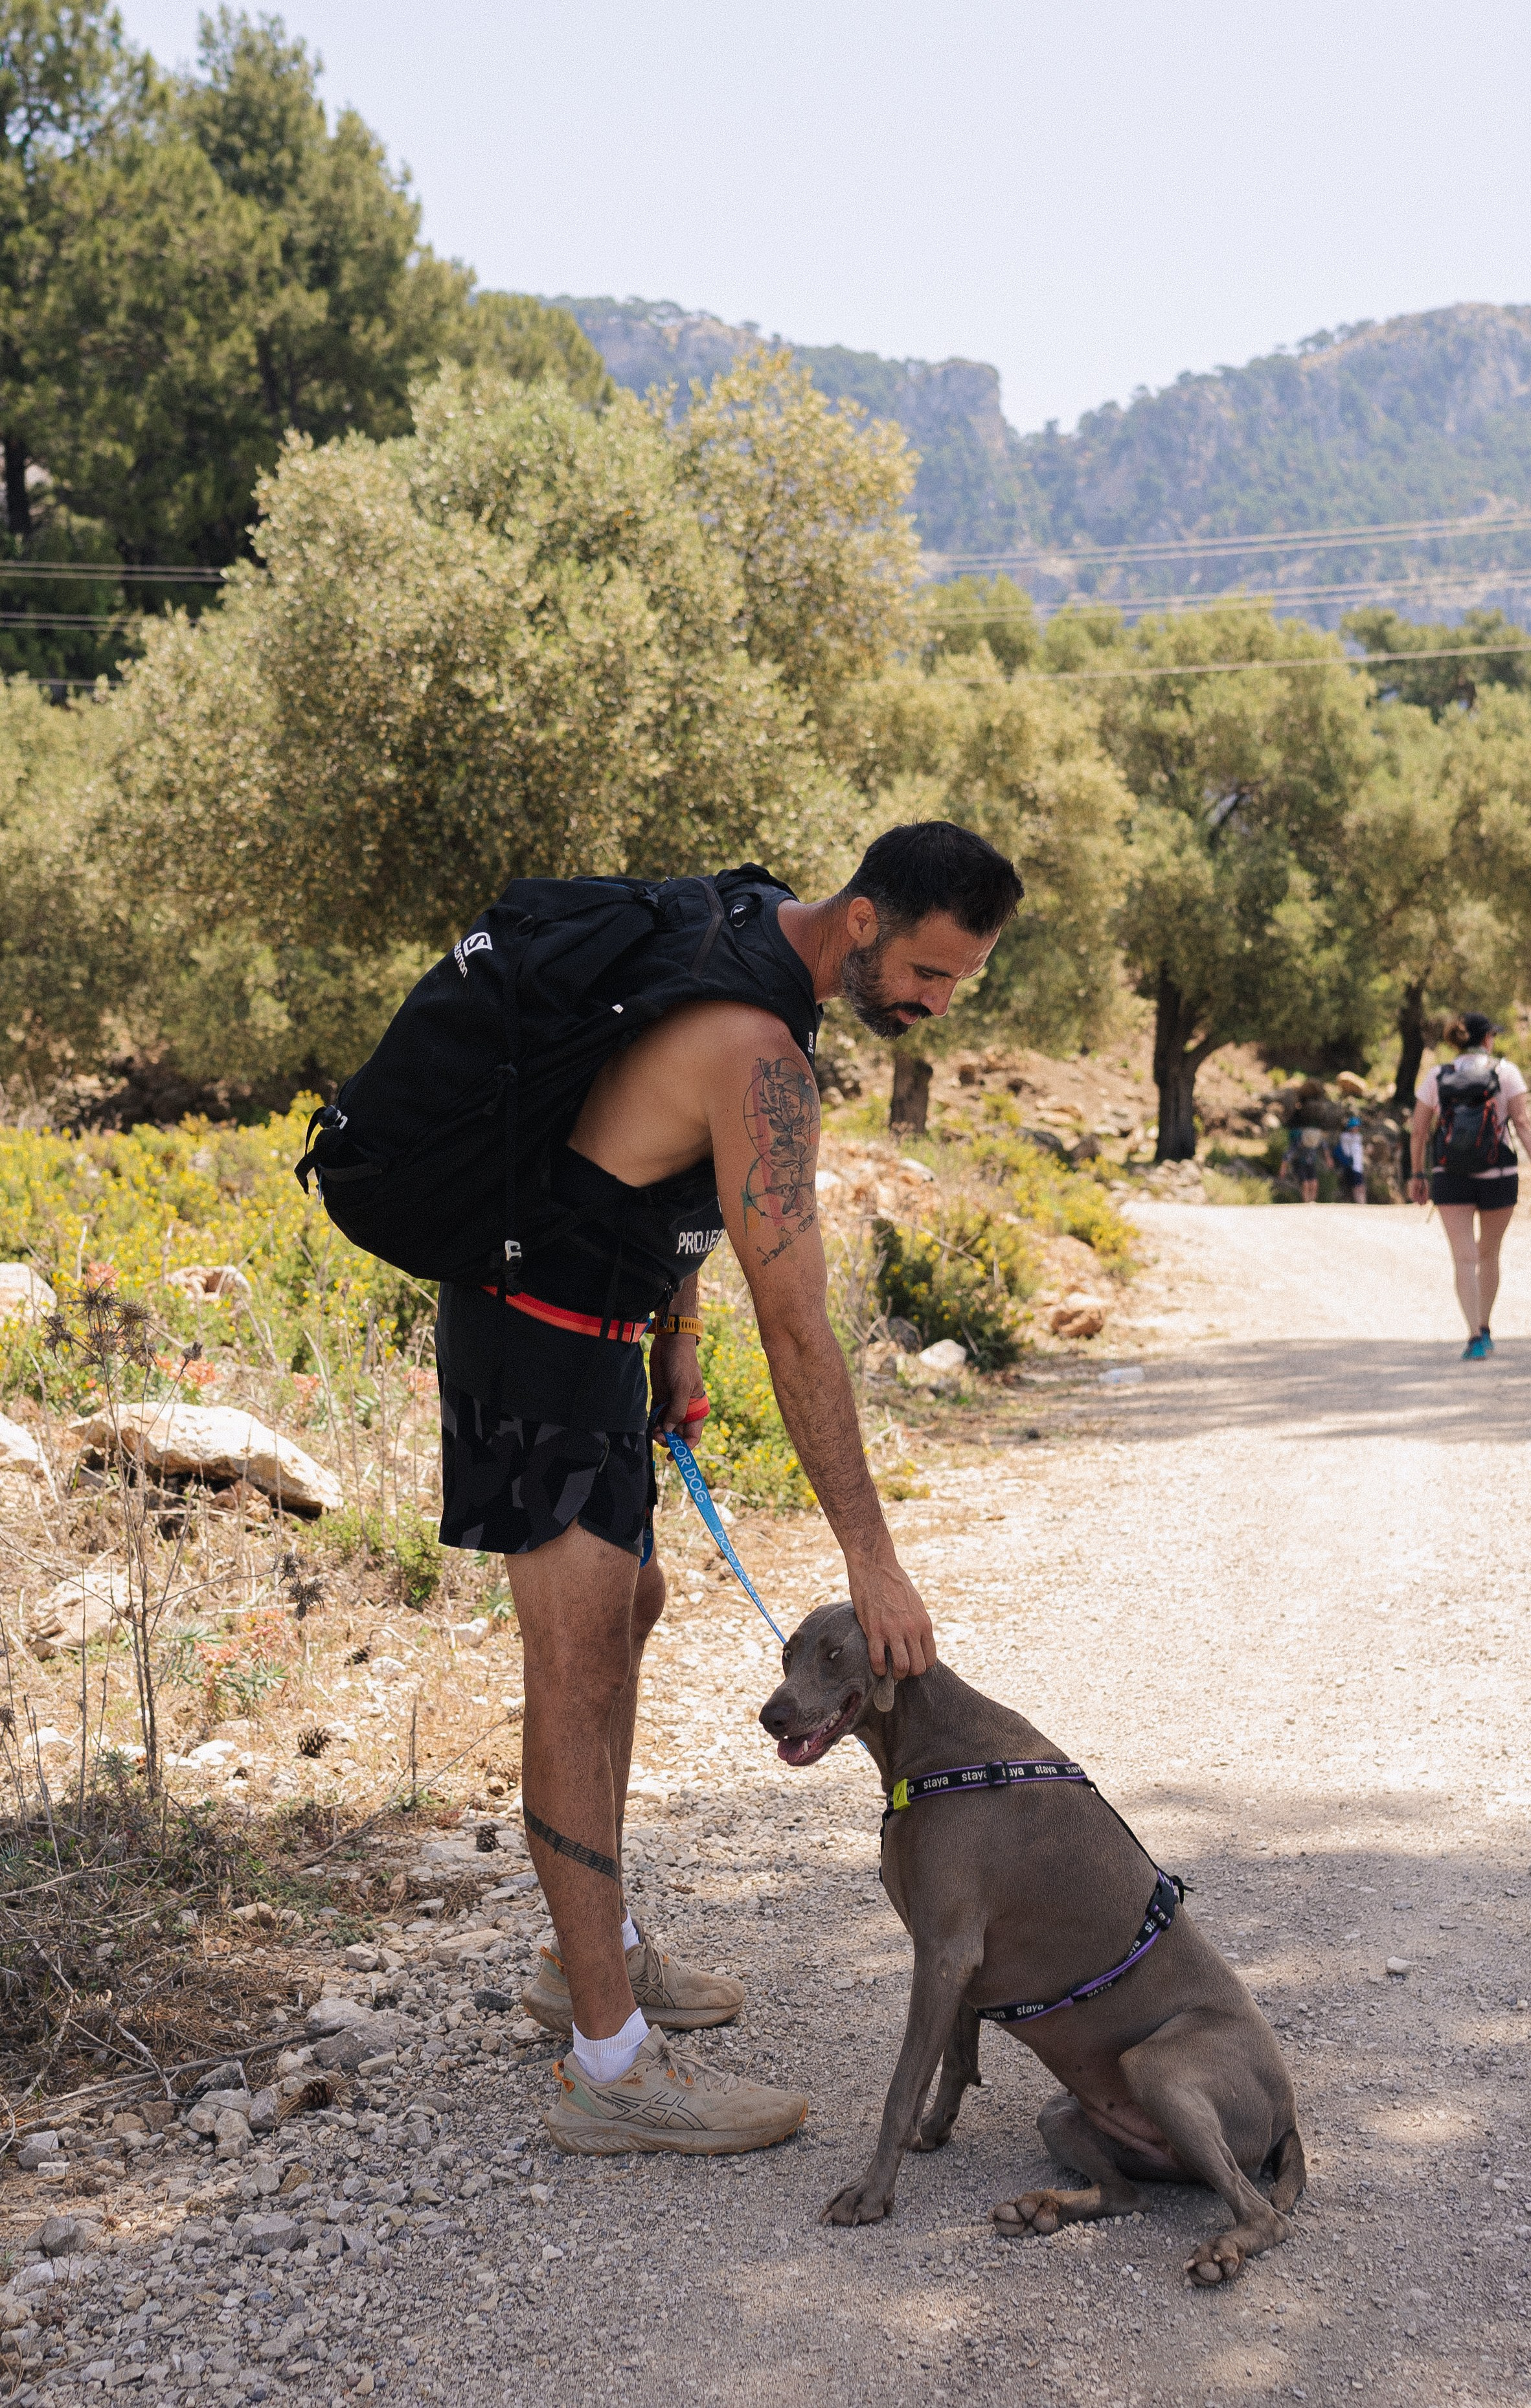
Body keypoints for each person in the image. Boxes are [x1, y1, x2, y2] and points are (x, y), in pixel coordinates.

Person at [432, 821, 1025, 2155]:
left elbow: (671, 1182)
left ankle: (591, 1949)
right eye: (931, 973)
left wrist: (675, 1336)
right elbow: (802, 1320)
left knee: (627, 1604)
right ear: (865, 919)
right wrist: (871, 1556)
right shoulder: (761, 1050)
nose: (935, 1005)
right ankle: (607, 2067)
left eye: (960, 987)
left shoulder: (756, 941)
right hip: (535, 1336)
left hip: (595, 1332)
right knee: (574, 1664)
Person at [1408, 1011, 1531, 1359]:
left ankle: (1472, 1336)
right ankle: (1486, 1328)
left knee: (1464, 1256)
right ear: (1488, 1039)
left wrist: (1417, 1175)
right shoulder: (1506, 1072)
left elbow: (1419, 1130)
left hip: (1449, 1176)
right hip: (1498, 1173)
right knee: (1490, 1252)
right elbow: (1522, 1122)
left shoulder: (1437, 1075)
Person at [1334, 1115, 1368, 1204]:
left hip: (1358, 1166)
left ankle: (1363, 1203)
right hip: (1352, 1166)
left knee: (1361, 1186)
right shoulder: (1346, 1137)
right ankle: (1360, 1203)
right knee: (1357, 1186)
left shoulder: (1357, 1137)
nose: (1357, 1129)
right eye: (1355, 1127)